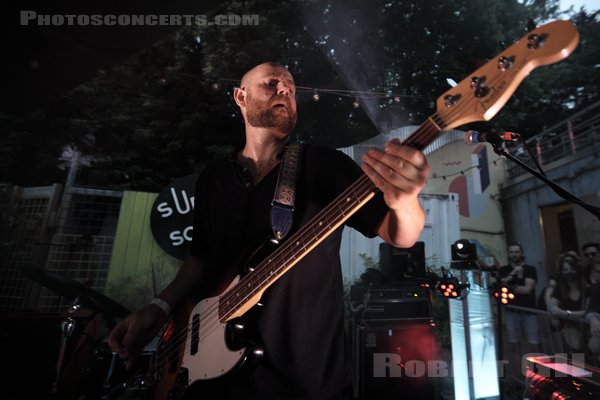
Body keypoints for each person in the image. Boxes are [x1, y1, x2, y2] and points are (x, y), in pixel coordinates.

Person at [107, 62, 430, 400]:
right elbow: (199, 260)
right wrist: (158, 308)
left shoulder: (325, 165)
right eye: (271, 82)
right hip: (212, 383)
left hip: (306, 382)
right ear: (240, 96)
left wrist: (406, 201)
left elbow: (399, 234)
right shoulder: (213, 179)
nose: (285, 89)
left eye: (291, 86)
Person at [498, 242, 541, 367]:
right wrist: (513, 273)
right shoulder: (504, 270)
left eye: (516, 252)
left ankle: (538, 373)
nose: (514, 255)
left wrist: (510, 287)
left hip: (529, 311)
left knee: (534, 344)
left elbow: (527, 290)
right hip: (511, 311)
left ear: (521, 253)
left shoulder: (530, 269)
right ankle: (518, 374)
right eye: (511, 252)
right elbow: (500, 285)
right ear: (508, 254)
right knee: (514, 344)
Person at [548, 253, 588, 352]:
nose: (569, 272)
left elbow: (587, 311)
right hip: (568, 332)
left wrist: (565, 313)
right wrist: (556, 314)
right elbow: (552, 307)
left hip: (586, 330)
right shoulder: (560, 289)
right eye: (565, 270)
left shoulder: (587, 289)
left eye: (572, 269)